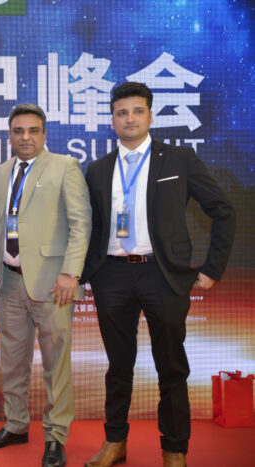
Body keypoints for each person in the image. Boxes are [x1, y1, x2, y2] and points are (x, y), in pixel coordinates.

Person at [81, 82, 235, 467]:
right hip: (111, 276)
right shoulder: (98, 169)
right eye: (121, 113)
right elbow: (88, 227)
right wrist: (84, 273)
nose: (130, 119)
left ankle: (174, 448)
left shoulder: (178, 160)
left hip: (162, 275)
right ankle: (115, 441)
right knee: (118, 366)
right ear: (112, 120)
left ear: (150, 116)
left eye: (137, 111)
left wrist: (212, 268)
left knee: (171, 365)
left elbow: (222, 210)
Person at [0, 103, 91, 467]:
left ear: (44, 134)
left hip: (53, 283)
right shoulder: (0, 172)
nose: (25, 137)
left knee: (56, 364)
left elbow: (81, 223)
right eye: (18, 131)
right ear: (9, 135)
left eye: (33, 131)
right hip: (10, 282)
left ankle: (56, 436)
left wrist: (70, 273)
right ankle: (15, 424)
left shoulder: (65, 166)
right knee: (12, 361)